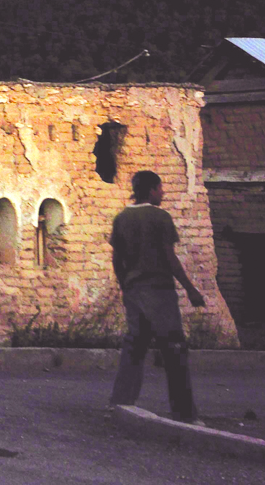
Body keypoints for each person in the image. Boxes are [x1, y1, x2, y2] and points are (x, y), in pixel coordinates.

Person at [108, 170, 205, 423]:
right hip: (159, 291)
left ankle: (121, 401)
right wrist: (190, 289)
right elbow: (169, 257)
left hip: (134, 291)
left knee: (134, 345)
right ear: (151, 190)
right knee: (174, 349)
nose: (162, 192)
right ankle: (184, 413)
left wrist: (125, 286)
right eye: (160, 188)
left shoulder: (121, 218)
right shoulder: (161, 217)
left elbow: (117, 259)